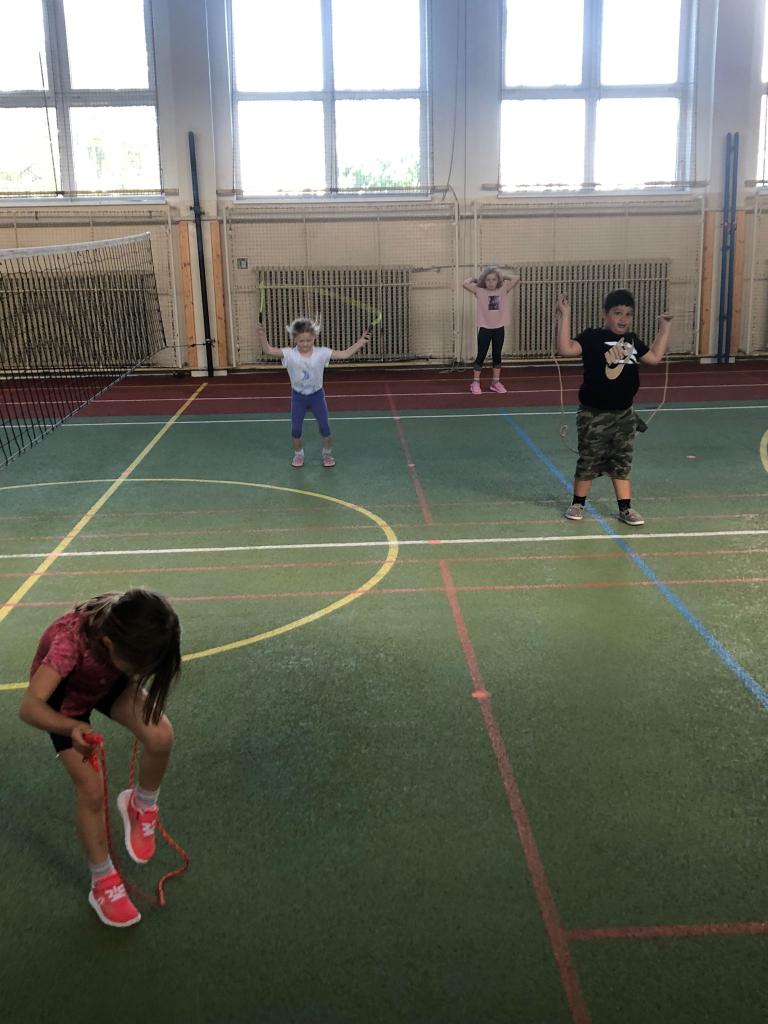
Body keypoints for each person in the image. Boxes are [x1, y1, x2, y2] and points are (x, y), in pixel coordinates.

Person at [19, 589, 182, 928]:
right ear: (109, 643)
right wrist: (71, 727)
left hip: (105, 682)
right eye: (139, 666)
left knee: (161, 735)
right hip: (63, 704)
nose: (145, 672)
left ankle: (141, 805)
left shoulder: (129, 620)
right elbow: (29, 708)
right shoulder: (68, 644)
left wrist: (132, 669)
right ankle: (103, 881)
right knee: (92, 790)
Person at [556, 289, 672, 526]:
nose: (623, 319)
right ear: (605, 314)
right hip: (593, 414)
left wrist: (665, 327)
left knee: (622, 462)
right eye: (617, 313)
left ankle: (625, 508)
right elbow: (566, 349)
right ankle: (578, 503)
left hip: (624, 416)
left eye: (628, 314)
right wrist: (565, 315)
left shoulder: (632, 341)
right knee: (588, 459)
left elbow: (654, 358)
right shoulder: (592, 337)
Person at [257, 317, 371, 467]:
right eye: (301, 341)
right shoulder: (289, 354)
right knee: (296, 430)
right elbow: (268, 350)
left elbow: (345, 354)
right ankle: (298, 455)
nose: (305, 344)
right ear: (294, 339)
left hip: (317, 396)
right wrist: (262, 336)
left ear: (314, 338)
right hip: (298, 397)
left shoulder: (322, 353)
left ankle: (327, 454)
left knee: (325, 427)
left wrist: (361, 341)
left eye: (308, 340)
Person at [463, 266, 520, 394]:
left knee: (497, 355)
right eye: (488, 280)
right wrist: (475, 279)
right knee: (481, 355)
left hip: (499, 328)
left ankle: (495, 383)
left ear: (497, 280)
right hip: (485, 329)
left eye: (494, 279)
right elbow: (464, 284)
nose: (491, 282)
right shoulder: (479, 291)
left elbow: (516, 278)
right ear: (484, 281)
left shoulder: (503, 289)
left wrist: (502, 276)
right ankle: (475, 382)